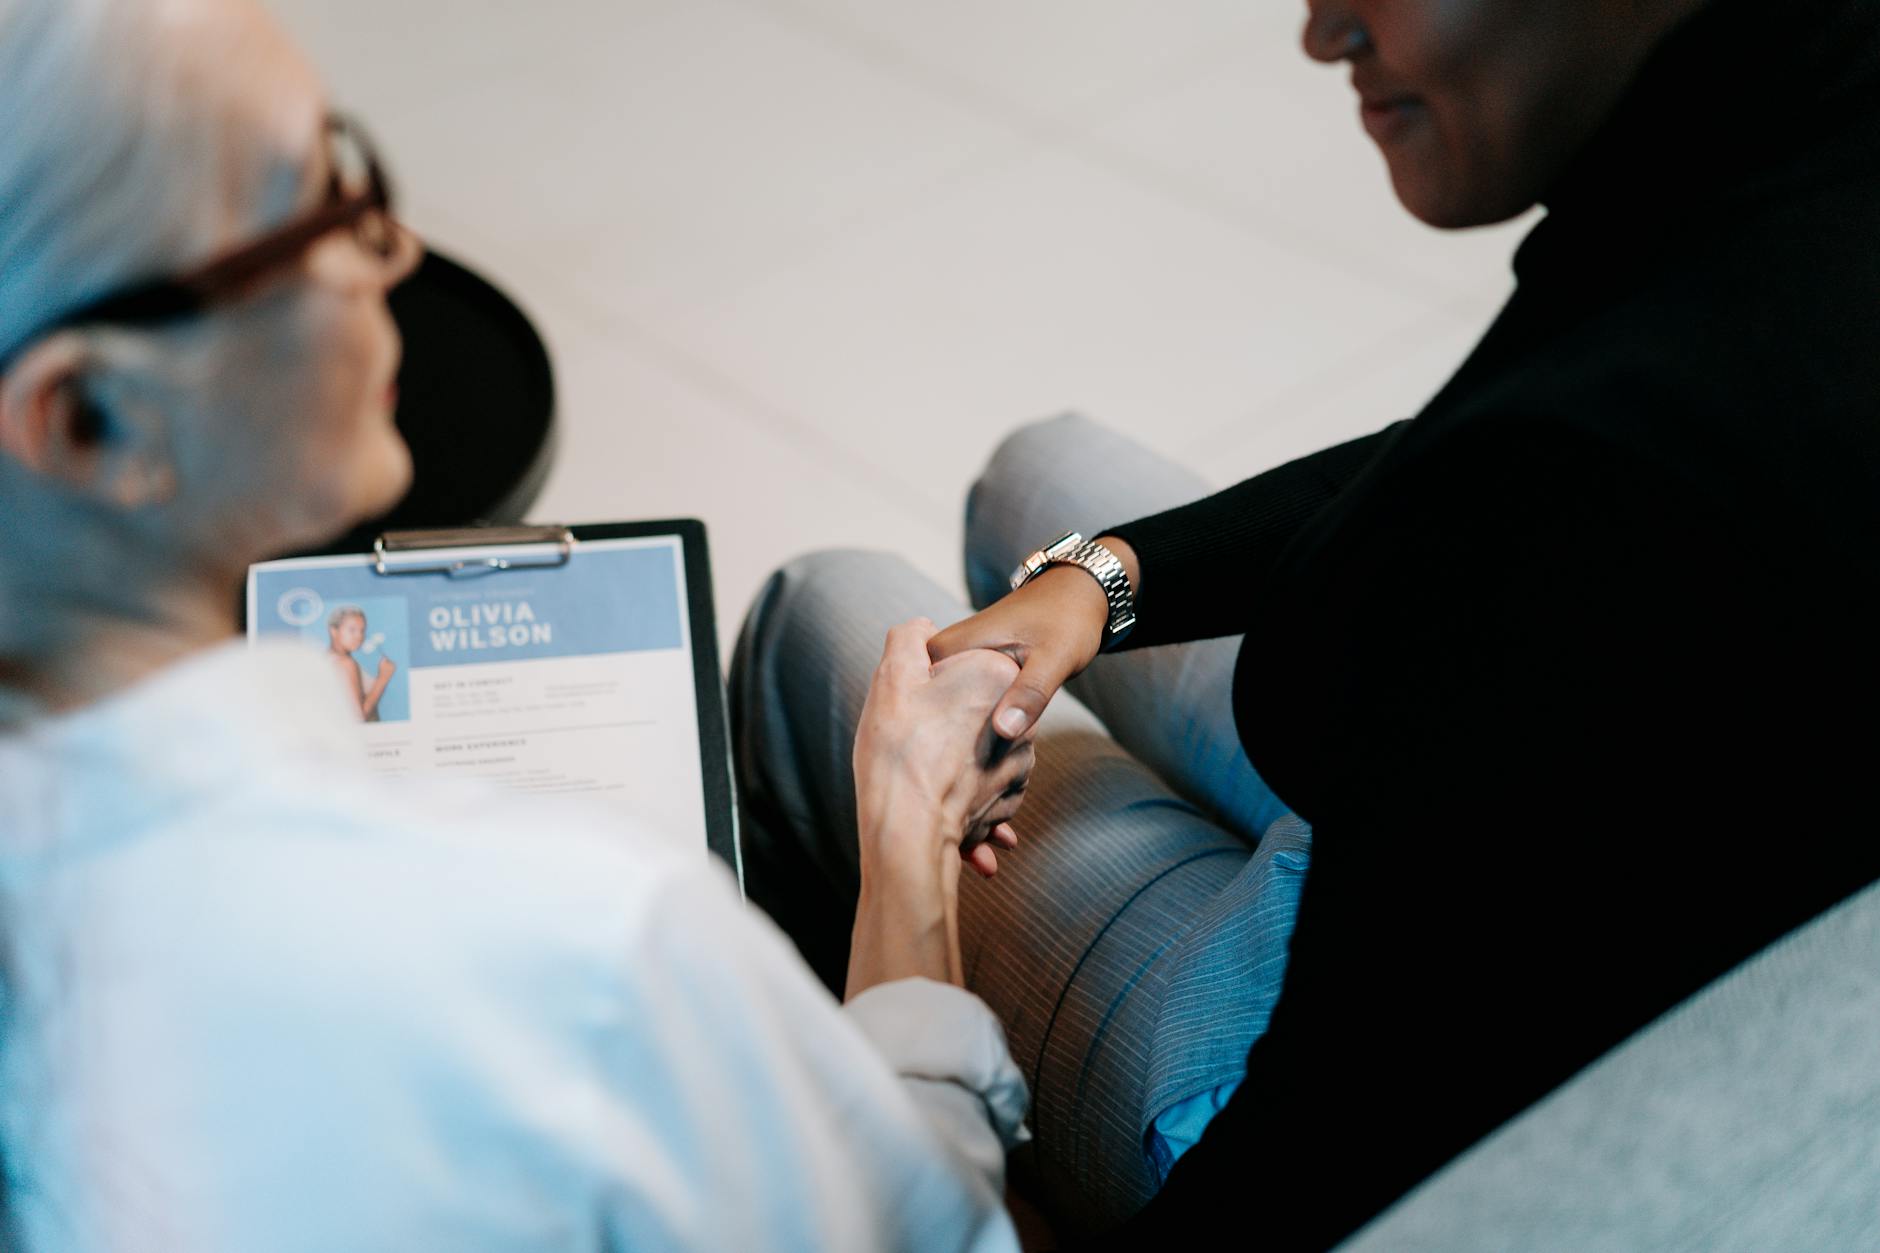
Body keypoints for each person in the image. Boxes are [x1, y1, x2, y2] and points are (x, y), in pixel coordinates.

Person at [739, 0, 1880, 1246]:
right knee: (1040, 471)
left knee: (822, 609)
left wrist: (907, 832)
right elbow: (1468, 444)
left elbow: (1306, 1174)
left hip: (1410, 1090)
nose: (1320, 32)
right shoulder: (1793, 148)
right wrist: (1103, 576)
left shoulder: (1586, 498)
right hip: (1530, 833)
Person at [0, 1, 1037, 1249]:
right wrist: (908, 825)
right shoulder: (584, 947)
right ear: (82, 419)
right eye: (317, 203)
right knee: (833, 599)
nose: (391, 247)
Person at [326, 606, 394, 722]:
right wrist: (383, 677)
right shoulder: (346, 663)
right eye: (352, 630)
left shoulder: (326, 659)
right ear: (334, 631)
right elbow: (359, 717)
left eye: (362, 630)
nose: (359, 636)